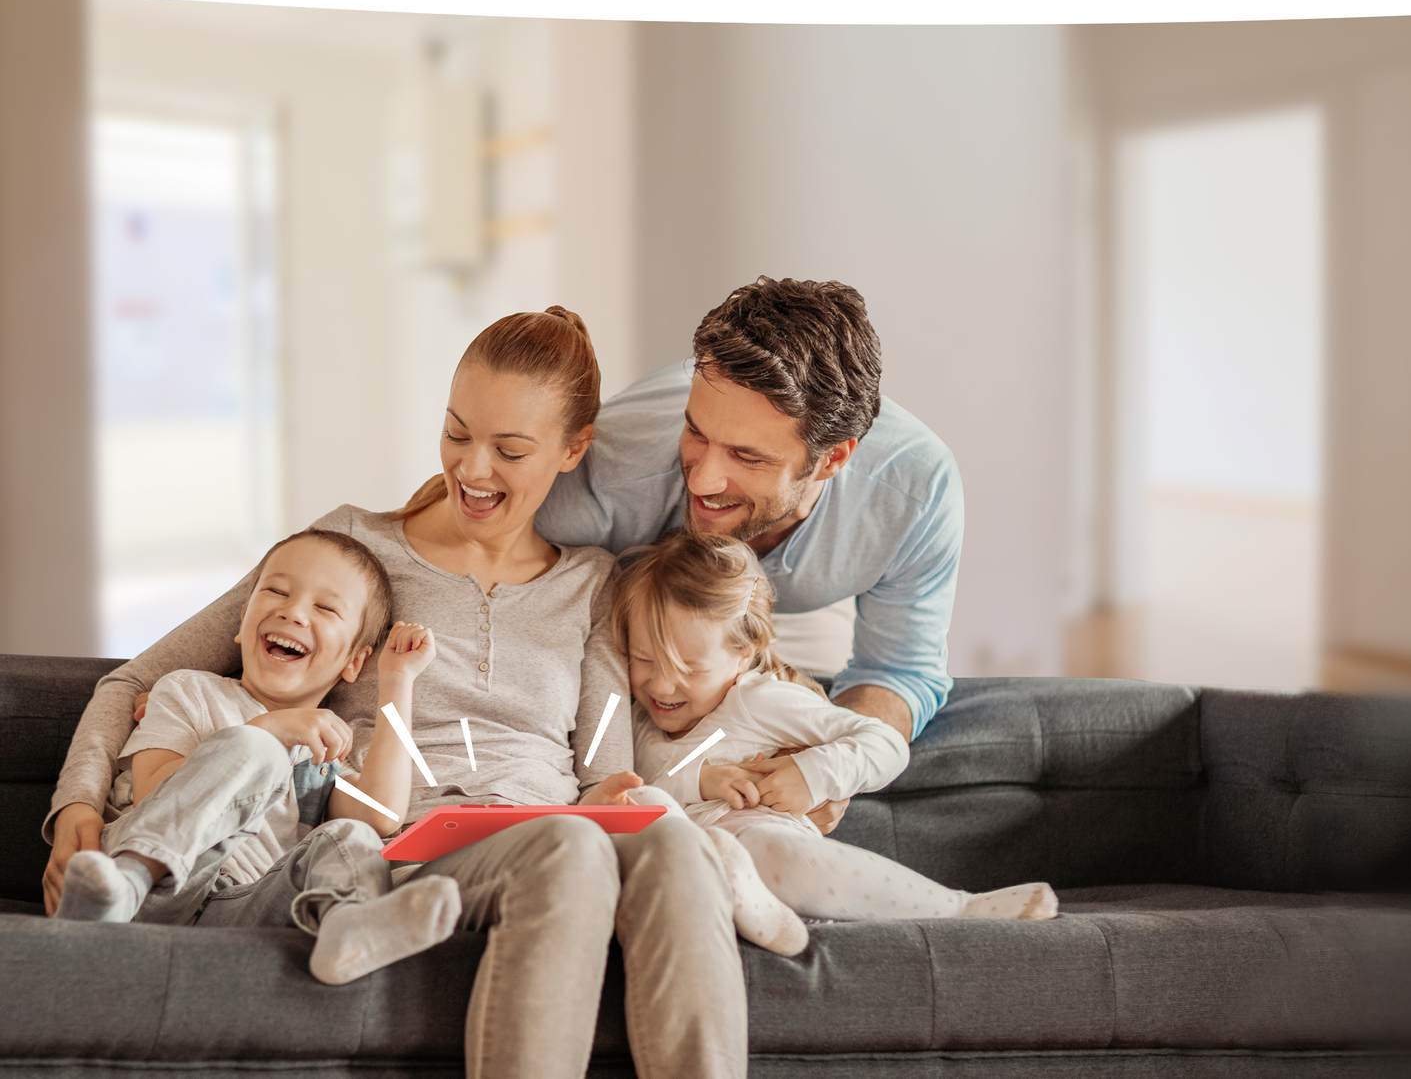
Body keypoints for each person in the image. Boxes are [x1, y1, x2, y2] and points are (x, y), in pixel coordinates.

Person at [45, 308, 750, 1079]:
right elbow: (136, 680)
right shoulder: (352, 549)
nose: (473, 470)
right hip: (408, 853)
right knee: (573, 844)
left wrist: (629, 790)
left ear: (571, 450)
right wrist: (78, 806)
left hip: (550, 825)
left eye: (510, 450)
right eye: (456, 434)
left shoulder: (592, 581)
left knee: (672, 842)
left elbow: (600, 772)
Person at [536, 277, 964, 839]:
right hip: (648, 624)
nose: (705, 477)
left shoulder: (914, 492)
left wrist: (823, 770)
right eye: (696, 432)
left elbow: (898, 669)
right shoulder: (601, 480)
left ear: (832, 459)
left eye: (746, 455)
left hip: (807, 605)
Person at [608, 528, 1057, 957]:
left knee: (768, 847)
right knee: (640, 801)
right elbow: (633, 778)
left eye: (688, 669)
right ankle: (746, 902)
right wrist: (702, 780)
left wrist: (811, 775)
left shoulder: (759, 700)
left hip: (756, 840)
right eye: (644, 660)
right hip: (679, 869)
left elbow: (883, 742)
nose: (662, 686)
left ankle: (960, 907)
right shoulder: (632, 716)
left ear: (743, 654)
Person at [57, 529, 466, 986]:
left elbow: (382, 814)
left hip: (239, 911)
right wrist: (268, 731)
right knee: (253, 750)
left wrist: (397, 680)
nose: (292, 611)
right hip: (157, 888)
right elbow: (154, 789)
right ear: (241, 621)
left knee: (352, 836)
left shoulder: (325, 749)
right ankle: (121, 889)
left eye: (325, 607)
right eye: (276, 591)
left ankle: (348, 925)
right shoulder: (188, 689)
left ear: (354, 662)